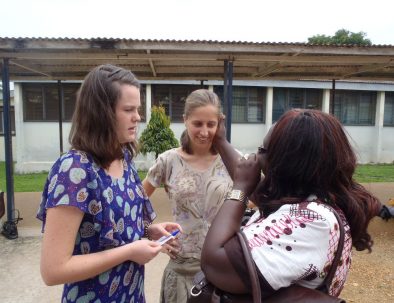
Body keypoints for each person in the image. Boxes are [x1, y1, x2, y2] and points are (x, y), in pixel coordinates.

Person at [37, 64, 181, 303]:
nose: (138, 116)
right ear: (100, 113)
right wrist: (130, 251)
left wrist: (147, 232)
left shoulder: (124, 160)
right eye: (128, 109)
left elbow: (111, 233)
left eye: (137, 109)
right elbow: (53, 270)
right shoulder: (75, 170)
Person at [201, 109, 382, 299]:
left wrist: (240, 188)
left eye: (262, 151)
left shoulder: (311, 221)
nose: (255, 158)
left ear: (286, 164)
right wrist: (220, 142)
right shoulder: (317, 200)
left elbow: (214, 262)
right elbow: (261, 193)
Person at [142, 89, 235, 302]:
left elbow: (264, 201)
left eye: (211, 124)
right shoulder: (168, 161)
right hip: (181, 272)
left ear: (219, 124)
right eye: (198, 123)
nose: (204, 131)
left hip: (221, 273)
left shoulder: (233, 162)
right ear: (185, 120)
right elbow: (131, 203)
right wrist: (149, 232)